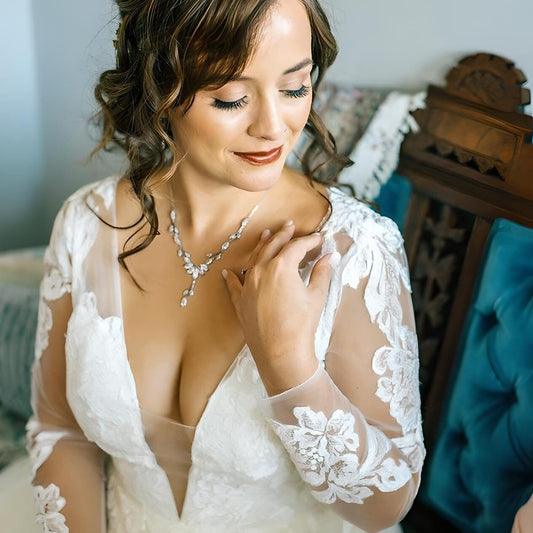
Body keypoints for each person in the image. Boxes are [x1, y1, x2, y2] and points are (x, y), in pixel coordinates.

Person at [27, 0, 425, 531]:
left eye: (294, 88)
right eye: (231, 97)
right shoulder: (86, 223)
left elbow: (384, 505)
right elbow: (60, 431)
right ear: (159, 87)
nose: (273, 127)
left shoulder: (356, 250)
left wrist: (289, 363)